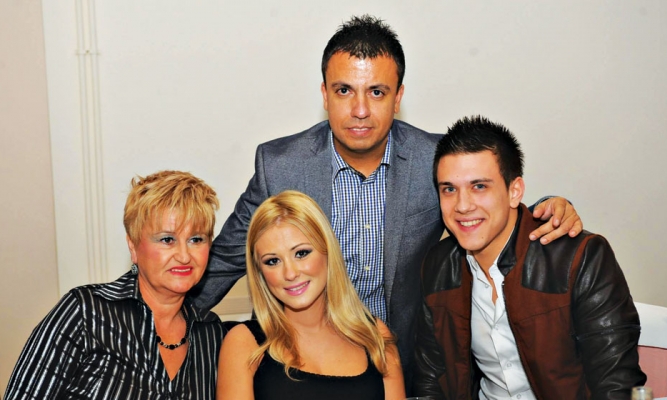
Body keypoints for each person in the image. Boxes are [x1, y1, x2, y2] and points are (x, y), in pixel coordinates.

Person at [193, 15, 583, 386]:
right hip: (299, 367)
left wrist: (549, 209)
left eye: (376, 92)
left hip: (400, 364)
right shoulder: (281, 166)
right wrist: (160, 318)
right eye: (344, 91)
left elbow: (489, 209)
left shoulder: (432, 160)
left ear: (398, 98)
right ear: (325, 95)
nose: (360, 111)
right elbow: (222, 262)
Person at [413, 116, 646, 399]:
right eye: (449, 189)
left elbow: (616, 385)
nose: (462, 206)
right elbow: (431, 379)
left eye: (479, 186)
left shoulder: (581, 257)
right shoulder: (439, 265)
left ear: (514, 191)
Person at [4, 170, 228, 399]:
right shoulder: (85, 312)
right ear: (133, 247)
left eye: (196, 239)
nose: (184, 255)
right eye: (167, 239)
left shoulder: (211, 333)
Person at [216, 190, 405, 399]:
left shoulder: (375, 335)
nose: (290, 273)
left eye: (301, 253)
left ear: (327, 250)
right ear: (260, 272)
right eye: (273, 261)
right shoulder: (244, 343)